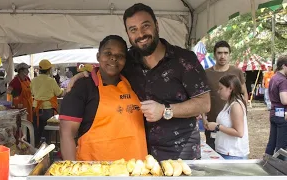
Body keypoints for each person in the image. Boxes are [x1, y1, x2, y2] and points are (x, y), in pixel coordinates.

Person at [67, 3, 211, 161]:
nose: (141, 34)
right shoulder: (128, 61)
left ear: (156, 25)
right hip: (141, 152)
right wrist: (85, 74)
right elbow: (109, 65)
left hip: (180, 151)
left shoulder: (184, 59)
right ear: (128, 34)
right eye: (133, 29)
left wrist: (165, 110)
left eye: (145, 26)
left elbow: (204, 103)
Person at [59, 35, 147, 161]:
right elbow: (66, 134)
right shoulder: (82, 87)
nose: (113, 58)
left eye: (120, 55)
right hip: (94, 172)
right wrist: (72, 174)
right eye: (108, 53)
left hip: (135, 169)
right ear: (98, 56)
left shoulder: (134, 83)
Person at [202, 41, 248, 150]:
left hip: (232, 122)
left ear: (229, 54)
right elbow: (203, 97)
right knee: (213, 155)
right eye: (219, 53)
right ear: (214, 54)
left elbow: (244, 93)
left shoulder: (236, 71)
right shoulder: (206, 73)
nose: (223, 56)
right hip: (212, 122)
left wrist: (242, 111)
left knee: (232, 153)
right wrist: (204, 118)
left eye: (226, 53)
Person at [207, 75, 249, 159]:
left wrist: (217, 126)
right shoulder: (229, 104)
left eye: (221, 88)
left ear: (230, 88)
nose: (218, 91)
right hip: (225, 151)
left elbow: (239, 133)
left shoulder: (236, 106)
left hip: (233, 154)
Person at [30, 59, 65, 146]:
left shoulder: (33, 80)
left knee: (36, 130)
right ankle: (46, 150)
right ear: (49, 70)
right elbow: (59, 94)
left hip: (36, 108)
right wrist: (63, 90)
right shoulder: (51, 81)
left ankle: (36, 148)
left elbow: (32, 93)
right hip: (47, 109)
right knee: (48, 132)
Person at [265, 55, 287, 156]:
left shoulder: (274, 77)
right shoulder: (283, 80)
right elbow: (284, 100)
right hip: (283, 115)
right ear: (284, 66)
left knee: (271, 143)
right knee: (281, 147)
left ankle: (265, 164)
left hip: (273, 113)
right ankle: (279, 170)